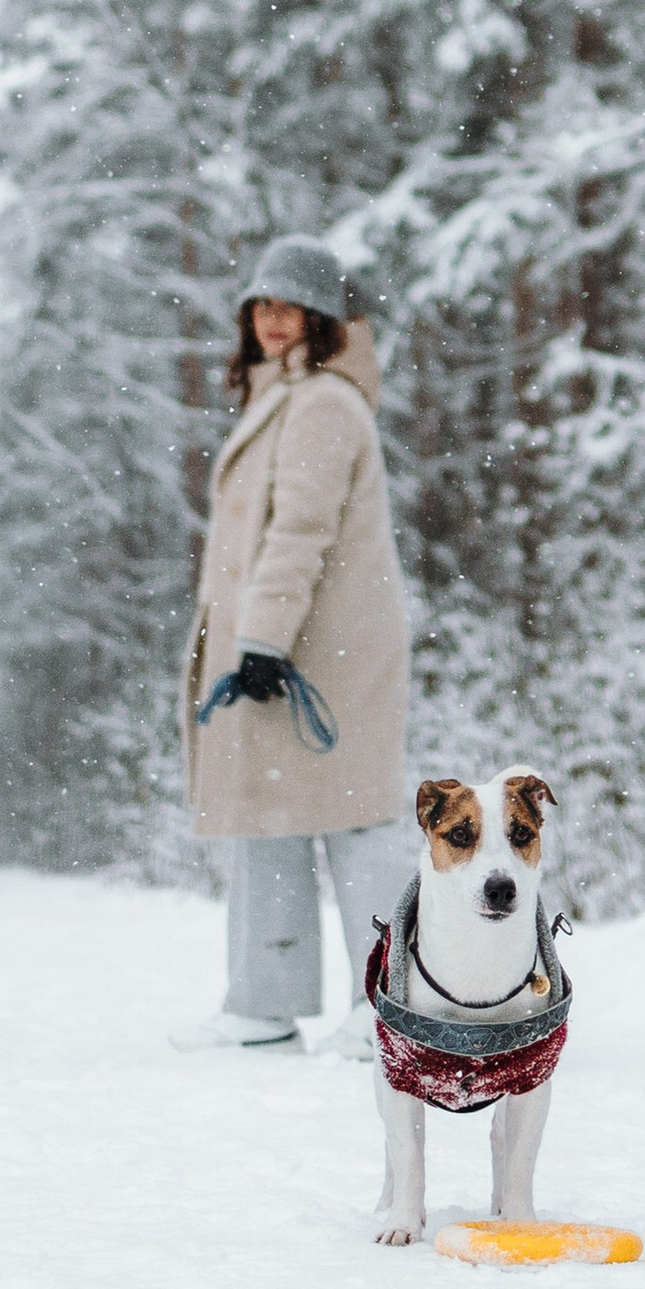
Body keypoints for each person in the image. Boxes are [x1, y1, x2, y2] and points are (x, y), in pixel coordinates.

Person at [173, 233, 413, 1052]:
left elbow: (299, 531)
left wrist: (264, 639)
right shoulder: (285, 398)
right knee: (267, 816)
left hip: (323, 648)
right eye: (261, 306)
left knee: (356, 819)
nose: (273, 321)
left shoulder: (322, 403)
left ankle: (388, 1007)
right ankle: (262, 1008)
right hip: (279, 644)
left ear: (323, 317)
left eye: (290, 307)